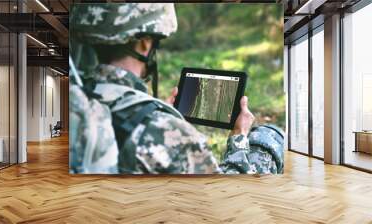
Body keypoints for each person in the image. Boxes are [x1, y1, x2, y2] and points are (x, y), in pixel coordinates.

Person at [69, 3, 284, 174]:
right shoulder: (171, 135)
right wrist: (239, 136)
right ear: (145, 43)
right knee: (268, 136)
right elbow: (225, 196)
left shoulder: (77, 97)